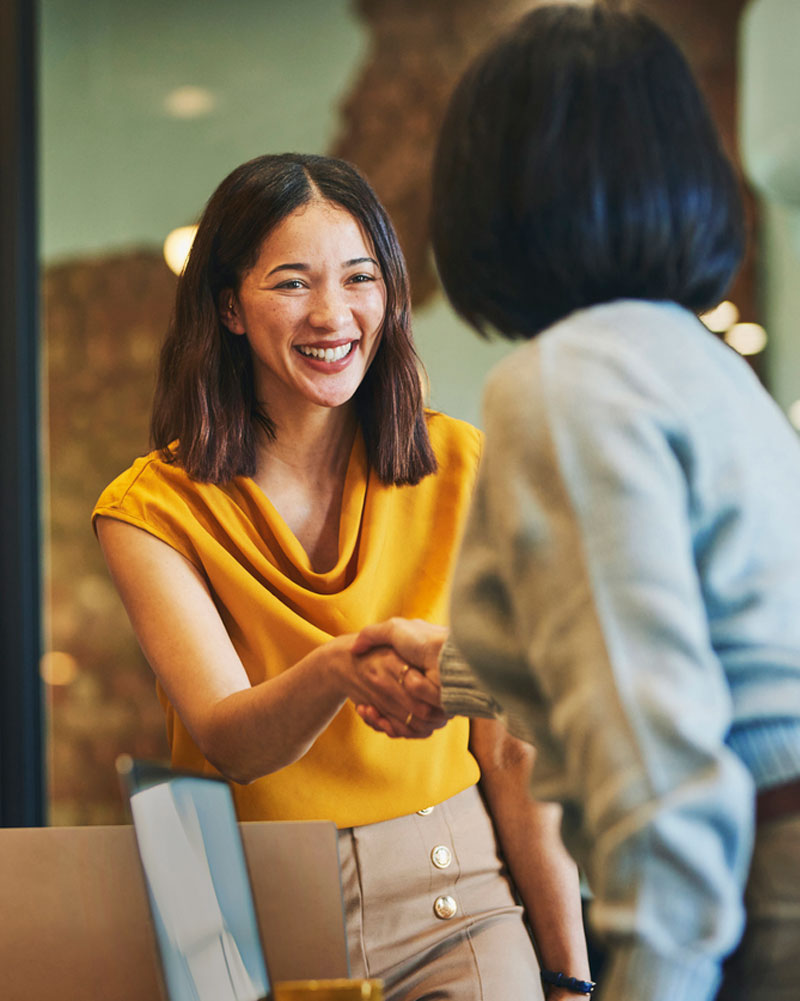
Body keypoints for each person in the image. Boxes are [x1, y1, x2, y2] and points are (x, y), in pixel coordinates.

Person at [351, 4, 800, 1001]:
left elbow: (659, 755)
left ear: (490, 195)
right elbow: (684, 634)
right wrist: (460, 672)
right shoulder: (701, 364)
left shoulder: (563, 384)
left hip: (754, 880)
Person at [92, 152, 590, 1001]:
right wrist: (336, 667)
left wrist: (571, 976)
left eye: (360, 278)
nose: (333, 314)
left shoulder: (465, 467)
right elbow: (230, 740)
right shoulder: (149, 510)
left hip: (456, 900)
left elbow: (511, 750)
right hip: (244, 924)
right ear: (228, 307)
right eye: (291, 283)